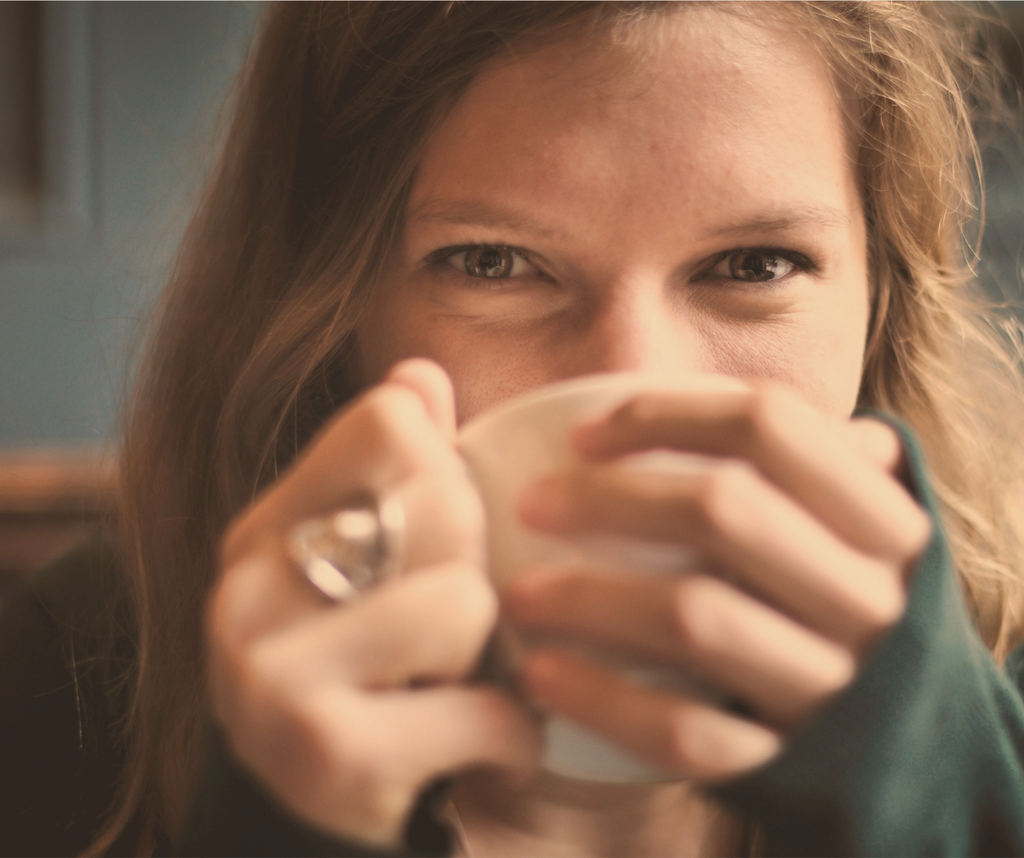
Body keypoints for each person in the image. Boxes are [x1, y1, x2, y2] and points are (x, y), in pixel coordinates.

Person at [4, 1, 1024, 855]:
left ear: (880, 300)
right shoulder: (71, 689)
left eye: (754, 265)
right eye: (491, 262)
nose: (631, 390)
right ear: (328, 309)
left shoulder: (999, 708)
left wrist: (935, 810)